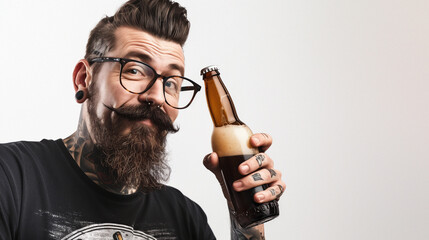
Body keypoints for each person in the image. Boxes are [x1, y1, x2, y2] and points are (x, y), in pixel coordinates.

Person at [0, 0, 285, 239]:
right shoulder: (12, 178)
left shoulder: (184, 218)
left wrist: (245, 216)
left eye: (172, 82)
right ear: (83, 79)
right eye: (135, 70)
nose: (158, 96)